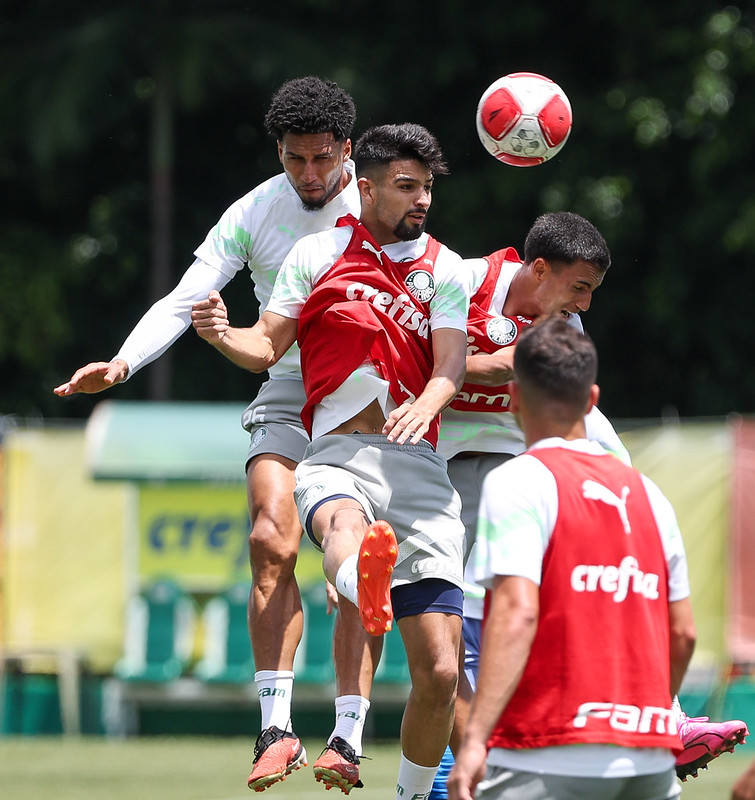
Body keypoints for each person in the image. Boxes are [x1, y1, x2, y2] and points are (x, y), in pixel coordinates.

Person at [53, 76, 376, 792]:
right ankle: (275, 729)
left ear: (348, 150)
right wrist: (124, 362)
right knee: (269, 535)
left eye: (322, 159)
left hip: (374, 396)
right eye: (294, 160)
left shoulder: (384, 203)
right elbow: (185, 296)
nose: (309, 175)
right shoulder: (255, 211)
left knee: (361, 567)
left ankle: (349, 737)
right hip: (290, 386)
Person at [191, 122, 473, 798]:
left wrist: (428, 403)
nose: (421, 199)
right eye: (407, 186)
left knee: (437, 672)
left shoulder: (446, 267)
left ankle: (409, 793)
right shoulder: (317, 254)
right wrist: (219, 333)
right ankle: (360, 583)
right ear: (367, 188)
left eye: (427, 186)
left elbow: (451, 366)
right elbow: (264, 347)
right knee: (344, 526)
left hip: (420, 469)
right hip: (338, 454)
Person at [430, 212, 748, 797]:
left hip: (511, 436)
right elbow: (413, 364)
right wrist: (490, 365)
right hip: (441, 441)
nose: (585, 304)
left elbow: (557, 389)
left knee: (624, 482)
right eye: (580, 286)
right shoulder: (459, 279)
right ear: (539, 268)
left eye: (592, 292)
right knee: (439, 613)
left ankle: (668, 718)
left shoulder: (566, 321)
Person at [446, 317, 698, 800]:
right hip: (648, 759)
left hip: (547, 750)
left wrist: (475, 739)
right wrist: (644, 715)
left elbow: (517, 612)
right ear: (592, 400)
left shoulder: (518, 481)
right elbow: (682, 633)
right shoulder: (649, 494)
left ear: (514, 398)